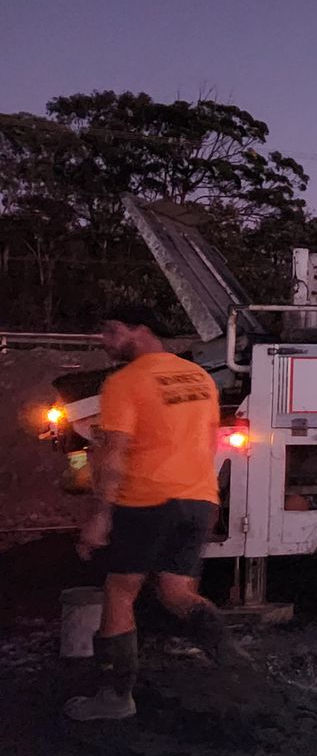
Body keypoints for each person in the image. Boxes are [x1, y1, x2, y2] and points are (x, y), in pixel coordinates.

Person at [67, 304, 243, 722]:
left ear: (140, 330)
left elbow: (113, 457)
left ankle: (114, 697)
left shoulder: (125, 383)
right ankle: (235, 668)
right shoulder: (199, 378)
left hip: (146, 499)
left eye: (112, 332)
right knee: (175, 592)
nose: (105, 341)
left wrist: (98, 516)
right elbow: (207, 440)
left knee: (120, 589)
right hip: (198, 499)